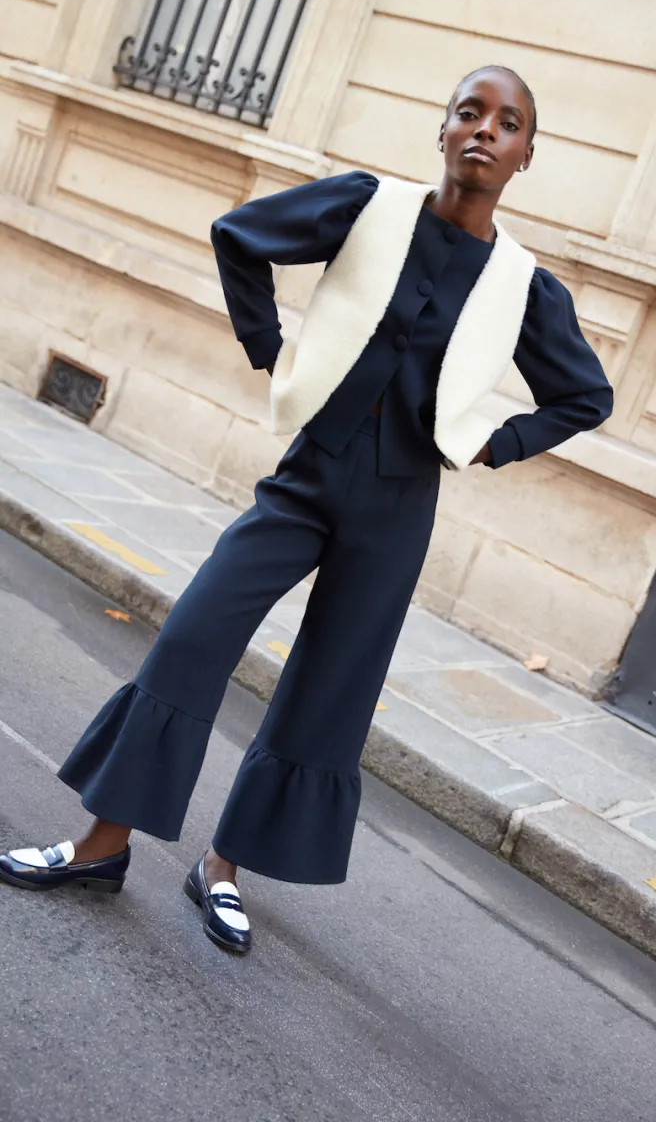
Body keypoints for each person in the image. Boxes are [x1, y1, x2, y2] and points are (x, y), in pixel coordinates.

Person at [0, 67, 613, 953]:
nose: (485, 130)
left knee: (328, 693)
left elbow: (585, 396)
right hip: (307, 478)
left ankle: (222, 869)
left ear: (525, 156)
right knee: (194, 636)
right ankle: (102, 845)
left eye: (507, 123)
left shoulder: (524, 285)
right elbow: (239, 236)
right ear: (442, 130)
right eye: (469, 112)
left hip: (400, 506)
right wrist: (271, 350)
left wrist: (496, 442)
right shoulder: (369, 207)